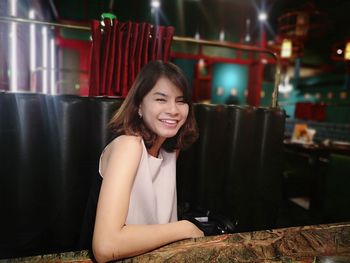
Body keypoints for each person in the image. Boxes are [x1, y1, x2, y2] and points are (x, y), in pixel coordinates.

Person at [92, 60, 204, 262]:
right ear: (139, 107)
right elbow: (105, 246)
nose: (173, 110)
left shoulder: (171, 151)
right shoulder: (129, 146)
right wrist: (184, 227)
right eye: (161, 99)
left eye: (181, 100)